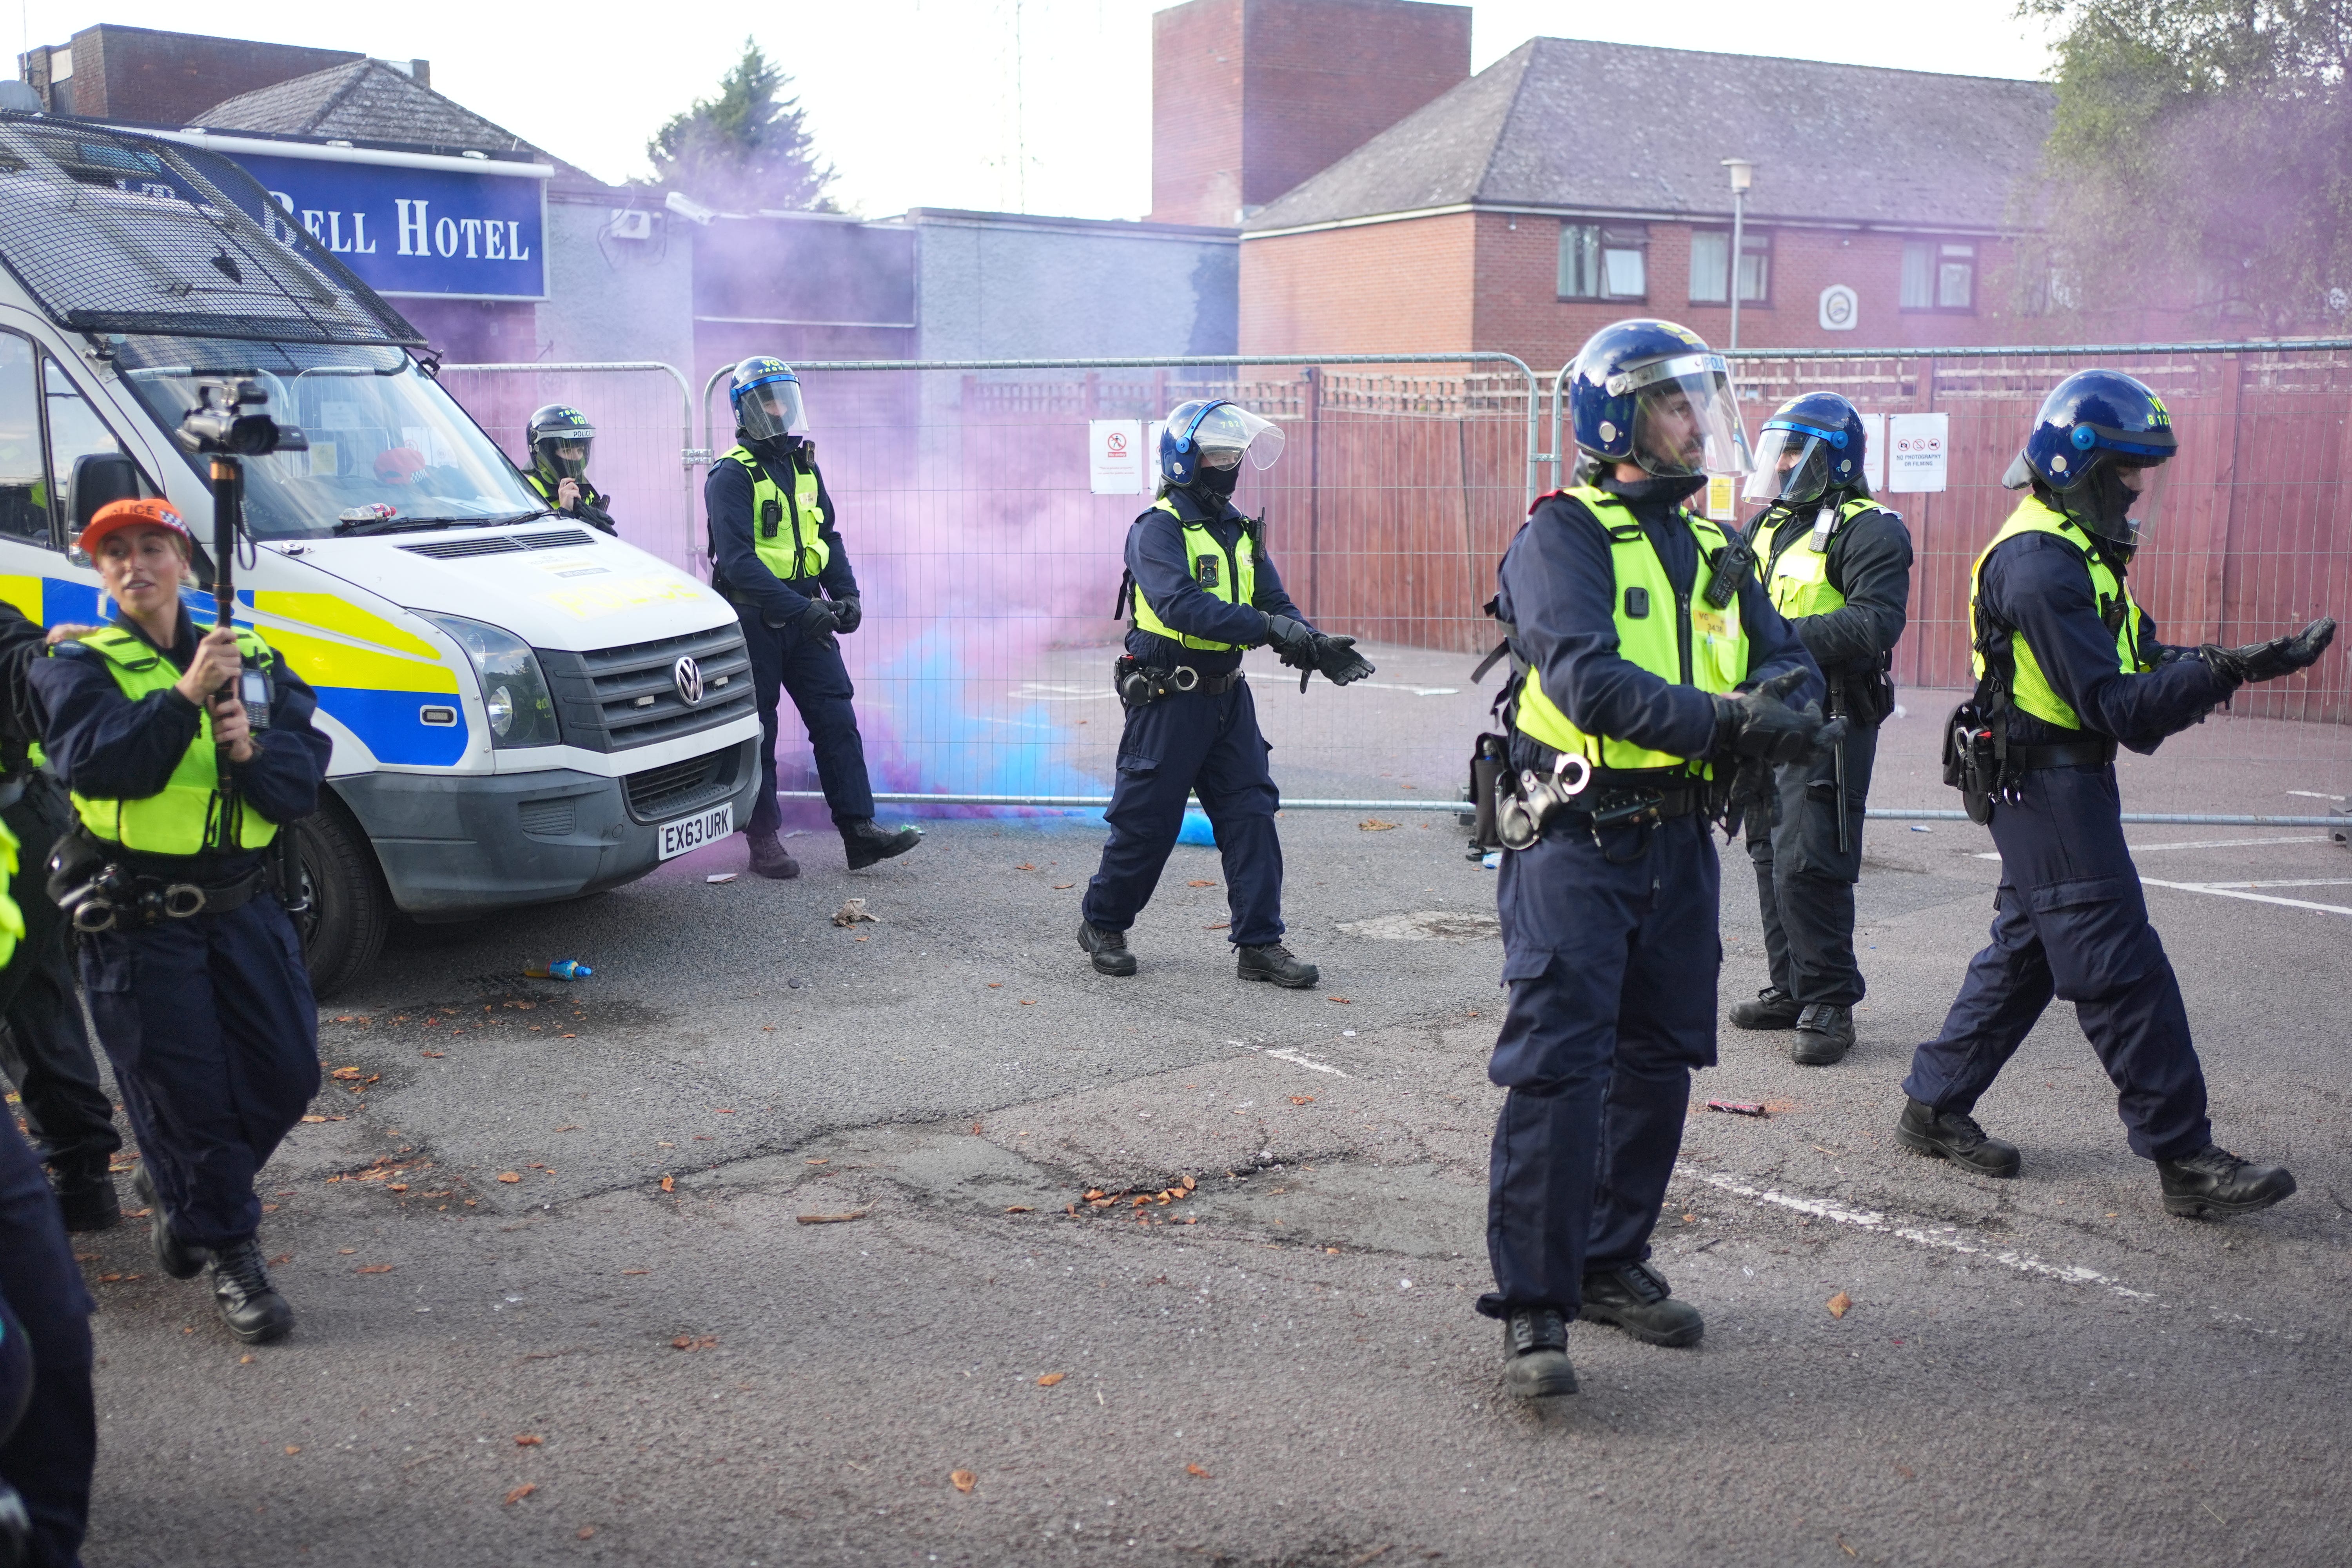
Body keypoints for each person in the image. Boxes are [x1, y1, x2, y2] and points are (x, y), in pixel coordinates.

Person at [1481, 319, 1838, 1400]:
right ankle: (1536, 1310)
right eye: (1677, 404)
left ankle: (1607, 1262)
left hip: (1680, 842)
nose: (1700, 422)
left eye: (1700, 403)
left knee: (1658, 1060)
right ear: (1620, 420)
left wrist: (1790, 702)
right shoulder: (1561, 539)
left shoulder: (1716, 548)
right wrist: (1738, 722)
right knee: (1558, 1069)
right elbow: (1591, 684)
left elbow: (1792, 665)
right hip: (1577, 838)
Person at [1900, 370, 2334, 1217]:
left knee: (2028, 951)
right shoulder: (2039, 566)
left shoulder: (2075, 550)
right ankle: (2186, 1158)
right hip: (2048, 785)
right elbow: (2119, 708)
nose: (2139, 491)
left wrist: (2239, 662)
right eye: (2128, 472)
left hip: (2051, 781)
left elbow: (2137, 658)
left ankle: (1933, 1101)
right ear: (2083, 467)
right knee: (2120, 965)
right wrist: (2218, 673)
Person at [29, 497, 331, 1343]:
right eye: (114, 552)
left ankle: (182, 1191)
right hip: (137, 919)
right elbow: (98, 762)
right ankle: (230, 1251)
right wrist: (186, 696)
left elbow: (300, 782)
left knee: (286, 1075)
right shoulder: (79, 663)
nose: (135, 564)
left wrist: (247, 749)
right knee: (187, 1095)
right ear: (98, 571)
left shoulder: (254, 654)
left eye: (151, 547)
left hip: (248, 905)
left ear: (184, 561)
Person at [1077, 398, 1373, 986]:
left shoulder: (1239, 529)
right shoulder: (1156, 530)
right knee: (1147, 824)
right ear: (1185, 460)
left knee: (1251, 814)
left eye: (1236, 455)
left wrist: (1310, 642)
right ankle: (1103, 922)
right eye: (1217, 454)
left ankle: (1260, 943)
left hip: (1227, 698)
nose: (1229, 465)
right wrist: (1271, 629)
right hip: (1169, 696)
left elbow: (1273, 602)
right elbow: (1184, 606)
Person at [1728, 393, 1913, 1065]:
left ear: (1831, 461)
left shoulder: (1872, 529)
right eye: (1777, 450)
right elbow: (1721, 603)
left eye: (1793, 452)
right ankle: (1792, 988)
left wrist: (1774, 640)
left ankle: (1831, 1002)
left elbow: (1873, 623)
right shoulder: (1764, 526)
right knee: (1767, 851)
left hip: (1828, 714)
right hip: (1762, 712)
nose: (1779, 464)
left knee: (1813, 857)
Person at [705, 357, 918, 880]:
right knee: (760, 729)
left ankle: (860, 831)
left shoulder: (804, 466)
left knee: (837, 720)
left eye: (784, 399)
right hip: (754, 618)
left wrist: (847, 596)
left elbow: (829, 537)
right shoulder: (730, 475)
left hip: (807, 614)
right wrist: (804, 610)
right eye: (767, 402)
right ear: (745, 410)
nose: (779, 410)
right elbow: (738, 563)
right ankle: (763, 840)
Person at [0, 600, 121, 1232]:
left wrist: (49, 662)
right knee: (35, 1007)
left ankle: (73, 1178)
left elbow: (16, 660)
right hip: (27, 826)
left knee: (36, 1006)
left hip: (14, 837)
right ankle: (80, 1178)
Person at [519, 403, 617, 534]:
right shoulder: (526, 493)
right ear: (544, 453)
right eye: (566, 450)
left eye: (580, 450)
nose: (577, 458)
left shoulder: (587, 493)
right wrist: (563, 515)